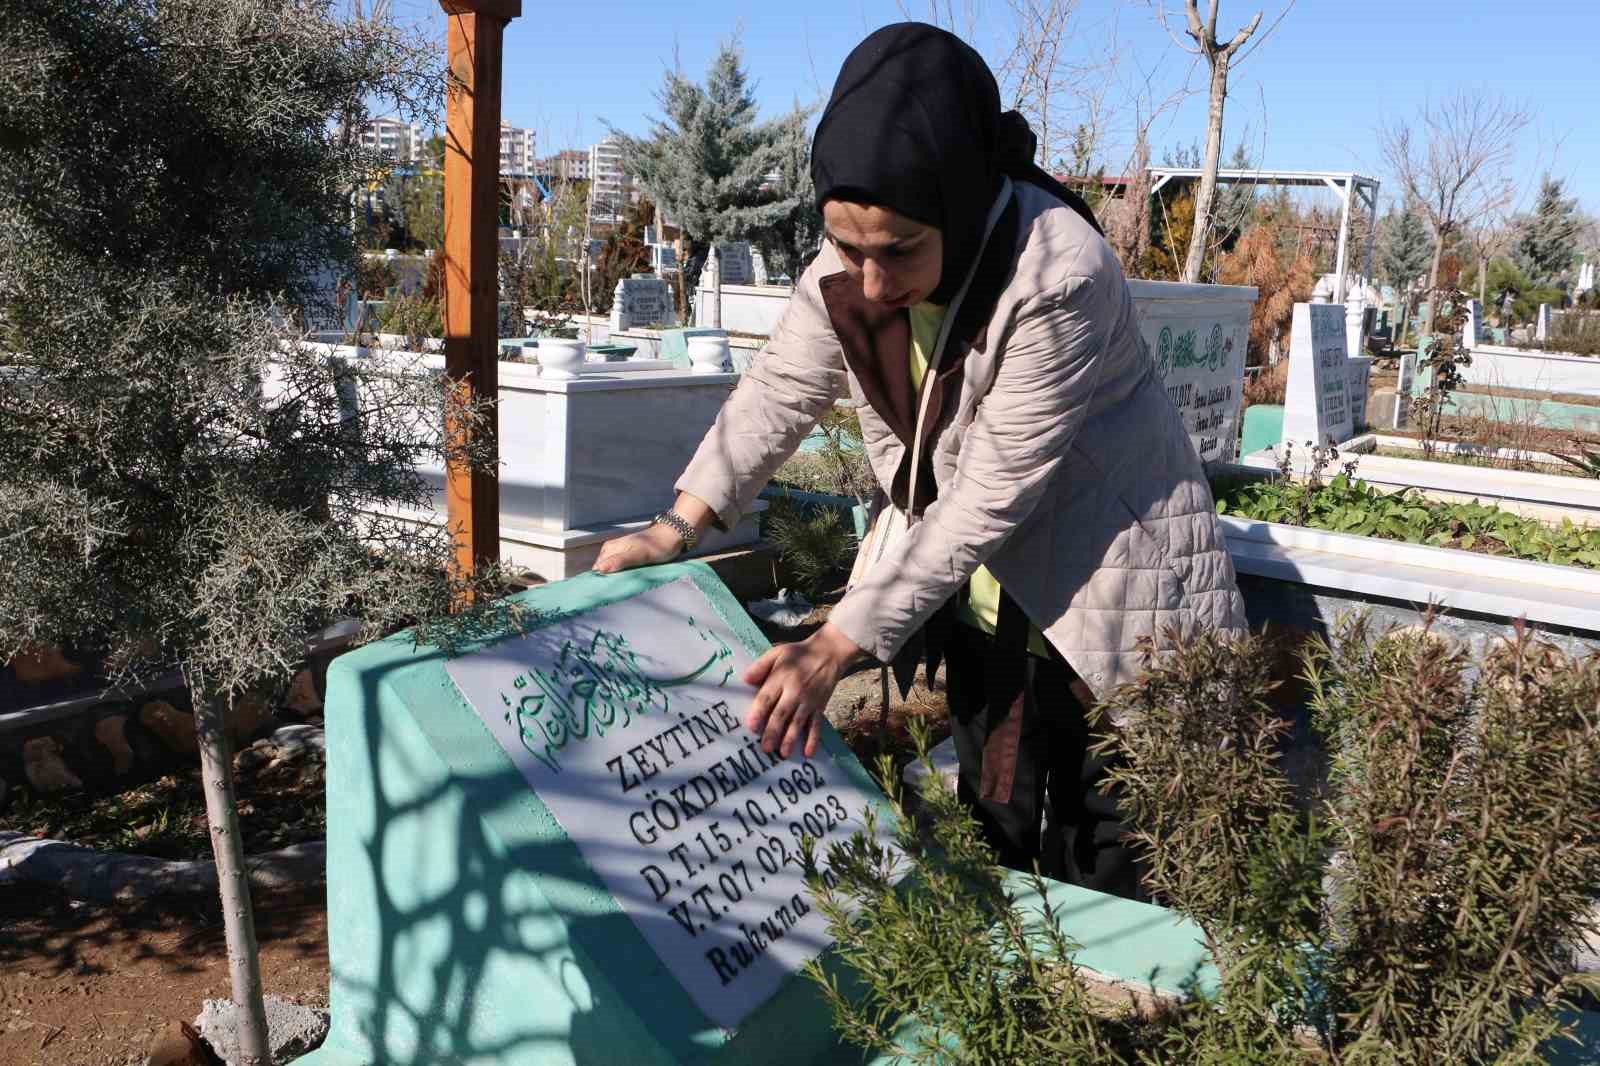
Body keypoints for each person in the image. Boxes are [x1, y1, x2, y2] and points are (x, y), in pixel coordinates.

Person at [595, 23, 1245, 899]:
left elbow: (988, 493)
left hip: (1110, 596)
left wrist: (835, 644)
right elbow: (779, 390)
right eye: (847, 246)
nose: (867, 281)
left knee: (1110, 854)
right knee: (995, 829)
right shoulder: (859, 247)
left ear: (961, 196)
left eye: (897, 251)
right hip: (985, 604)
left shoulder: (1058, 274)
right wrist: (676, 526)